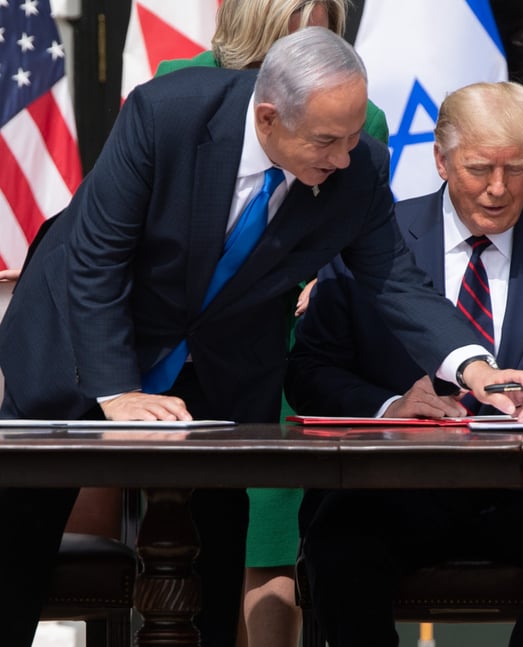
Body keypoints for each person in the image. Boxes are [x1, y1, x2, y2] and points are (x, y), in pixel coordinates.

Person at [0, 29, 523, 647]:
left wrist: (475, 368)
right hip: (81, 340)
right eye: (326, 141)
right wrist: (118, 392)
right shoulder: (166, 114)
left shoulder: (358, 167)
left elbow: (395, 280)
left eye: (352, 137)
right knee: (19, 538)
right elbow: (97, 259)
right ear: (268, 117)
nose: (343, 158)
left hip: (220, 367)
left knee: (214, 550)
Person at [286, 81, 523, 647]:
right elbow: (310, 373)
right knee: (339, 539)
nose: (498, 189)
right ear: (441, 160)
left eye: (516, 169)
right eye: (480, 169)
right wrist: (390, 407)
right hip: (397, 487)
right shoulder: (369, 240)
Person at [156, 2, 389, 644]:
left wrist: (319, 281)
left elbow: (363, 243)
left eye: (324, 31)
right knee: (190, 544)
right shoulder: (176, 89)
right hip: (180, 363)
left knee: (272, 548)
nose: (312, 48)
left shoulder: (358, 121)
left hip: (280, 351)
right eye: (298, 30)